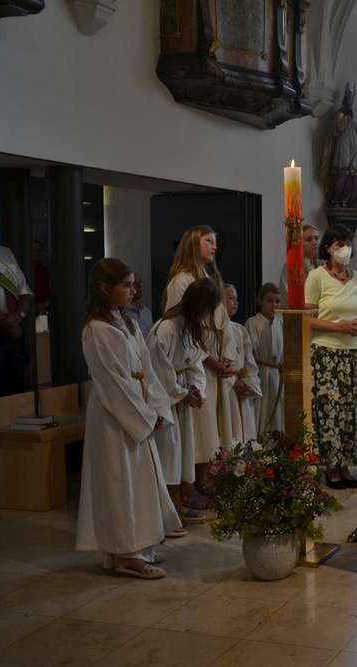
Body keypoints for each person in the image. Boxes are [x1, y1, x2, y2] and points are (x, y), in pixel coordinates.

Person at [76, 258, 181, 579]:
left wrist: (158, 409)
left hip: (138, 411)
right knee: (120, 484)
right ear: (105, 289)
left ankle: (140, 548)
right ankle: (125, 554)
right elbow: (113, 383)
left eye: (133, 284)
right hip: (114, 416)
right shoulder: (96, 330)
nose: (133, 290)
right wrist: (145, 416)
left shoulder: (129, 324)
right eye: (125, 285)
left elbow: (146, 371)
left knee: (139, 483)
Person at [161, 225, 235, 499]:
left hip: (213, 361)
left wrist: (226, 357)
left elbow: (223, 324)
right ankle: (188, 481)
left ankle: (207, 476)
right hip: (196, 362)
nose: (214, 247)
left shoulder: (209, 277)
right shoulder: (182, 281)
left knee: (210, 426)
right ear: (193, 243)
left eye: (215, 242)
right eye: (208, 241)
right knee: (196, 426)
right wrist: (211, 361)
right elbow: (183, 326)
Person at [147, 278, 220, 520]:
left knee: (180, 452)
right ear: (200, 304)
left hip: (181, 395)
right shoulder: (165, 328)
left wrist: (196, 388)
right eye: (209, 308)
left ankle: (177, 503)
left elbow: (195, 363)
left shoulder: (189, 326)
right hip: (164, 400)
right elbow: (157, 370)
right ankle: (167, 509)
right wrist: (181, 393)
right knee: (167, 452)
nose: (209, 314)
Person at [305, 224, 357, 490]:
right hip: (326, 353)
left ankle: (346, 465)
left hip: (355, 353)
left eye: (348, 244)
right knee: (329, 411)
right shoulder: (316, 277)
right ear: (328, 249)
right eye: (340, 244)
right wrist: (340, 327)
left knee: (351, 411)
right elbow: (307, 319)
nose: (345, 249)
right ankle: (331, 467)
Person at [0, 211, 32, 399]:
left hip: (14, 328)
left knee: (14, 384)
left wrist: (17, 317)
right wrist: (3, 321)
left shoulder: (5, 253)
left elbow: (23, 290)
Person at [320, 83, 357, 208]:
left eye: (353, 101)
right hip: (343, 147)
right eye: (350, 100)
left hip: (354, 148)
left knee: (354, 172)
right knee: (343, 170)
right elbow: (335, 131)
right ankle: (337, 199)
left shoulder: (351, 117)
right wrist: (343, 122)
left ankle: (351, 200)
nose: (351, 103)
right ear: (345, 101)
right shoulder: (340, 114)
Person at [223, 284, 261, 443]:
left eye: (236, 299)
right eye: (231, 298)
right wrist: (234, 384)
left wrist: (248, 384)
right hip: (227, 390)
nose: (236, 302)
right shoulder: (214, 332)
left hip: (242, 392)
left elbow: (250, 364)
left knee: (246, 435)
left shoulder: (240, 330)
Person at [246, 283, 285, 436]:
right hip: (260, 373)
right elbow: (248, 352)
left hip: (277, 374)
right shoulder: (252, 323)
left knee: (277, 411)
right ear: (260, 300)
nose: (274, 305)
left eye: (277, 301)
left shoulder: (281, 324)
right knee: (260, 410)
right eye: (269, 301)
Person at [279, 225, 325, 307]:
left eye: (317, 238)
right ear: (299, 243)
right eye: (309, 240)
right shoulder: (291, 267)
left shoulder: (323, 265)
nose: (315, 243)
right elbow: (288, 296)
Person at [127, 273, 153, 338]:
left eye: (141, 282)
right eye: (135, 283)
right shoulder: (124, 313)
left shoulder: (147, 312)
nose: (139, 285)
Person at [32, 239, 49, 314]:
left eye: (39, 251)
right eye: (33, 251)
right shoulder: (22, 273)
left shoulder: (47, 272)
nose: (36, 253)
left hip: (45, 310)